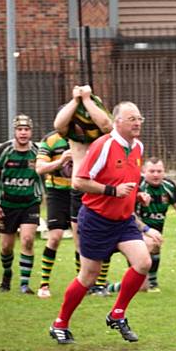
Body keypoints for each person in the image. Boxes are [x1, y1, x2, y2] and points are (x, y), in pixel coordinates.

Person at [49, 101, 152, 344]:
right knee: (89, 277)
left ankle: (117, 314)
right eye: (132, 119)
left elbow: (127, 181)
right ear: (117, 122)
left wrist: (137, 195)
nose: (137, 123)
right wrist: (113, 191)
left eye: (139, 118)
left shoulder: (137, 147)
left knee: (143, 262)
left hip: (123, 221)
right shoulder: (104, 145)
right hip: (96, 220)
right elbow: (80, 182)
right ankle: (60, 323)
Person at [54, 84, 114, 296]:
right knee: (80, 236)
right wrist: (75, 100)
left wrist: (88, 100)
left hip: (99, 186)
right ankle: (85, 282)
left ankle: (99, 283)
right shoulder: (69, 131)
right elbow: (57, 123)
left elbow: (107, 125)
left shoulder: (100, 130)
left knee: (104, 233)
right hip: (79, 188)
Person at [108, 157, 176, 293]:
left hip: (153, 234)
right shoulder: (137, 186)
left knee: (154, 244)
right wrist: (146, 229)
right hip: (131, 232)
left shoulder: (168, 186)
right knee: (150, 245)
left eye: (159, 171)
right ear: (143, 171)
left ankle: (152, 282)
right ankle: (109, 287)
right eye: (152, 171)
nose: (156, 174)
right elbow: (128, 212)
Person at [0, 115, 43, 294]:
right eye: (20, 129)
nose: (23, 133)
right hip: (7, 205)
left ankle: (24, 284)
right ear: (15, 131)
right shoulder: (2, 151)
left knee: (27, 240)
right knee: (6, 246)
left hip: (30, 204)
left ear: (31, 132)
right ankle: (6, 274)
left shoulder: (38, 152)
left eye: (26, 129)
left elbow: (45, 174)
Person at [35, 130, 72, 298]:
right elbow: (40, 168)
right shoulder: (50, 139)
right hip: (57, 193)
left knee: (82, 237)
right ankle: (44, 284)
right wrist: (62, 161)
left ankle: (86, 283)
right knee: (55, 237)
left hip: (80, 192)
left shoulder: (85, 136)